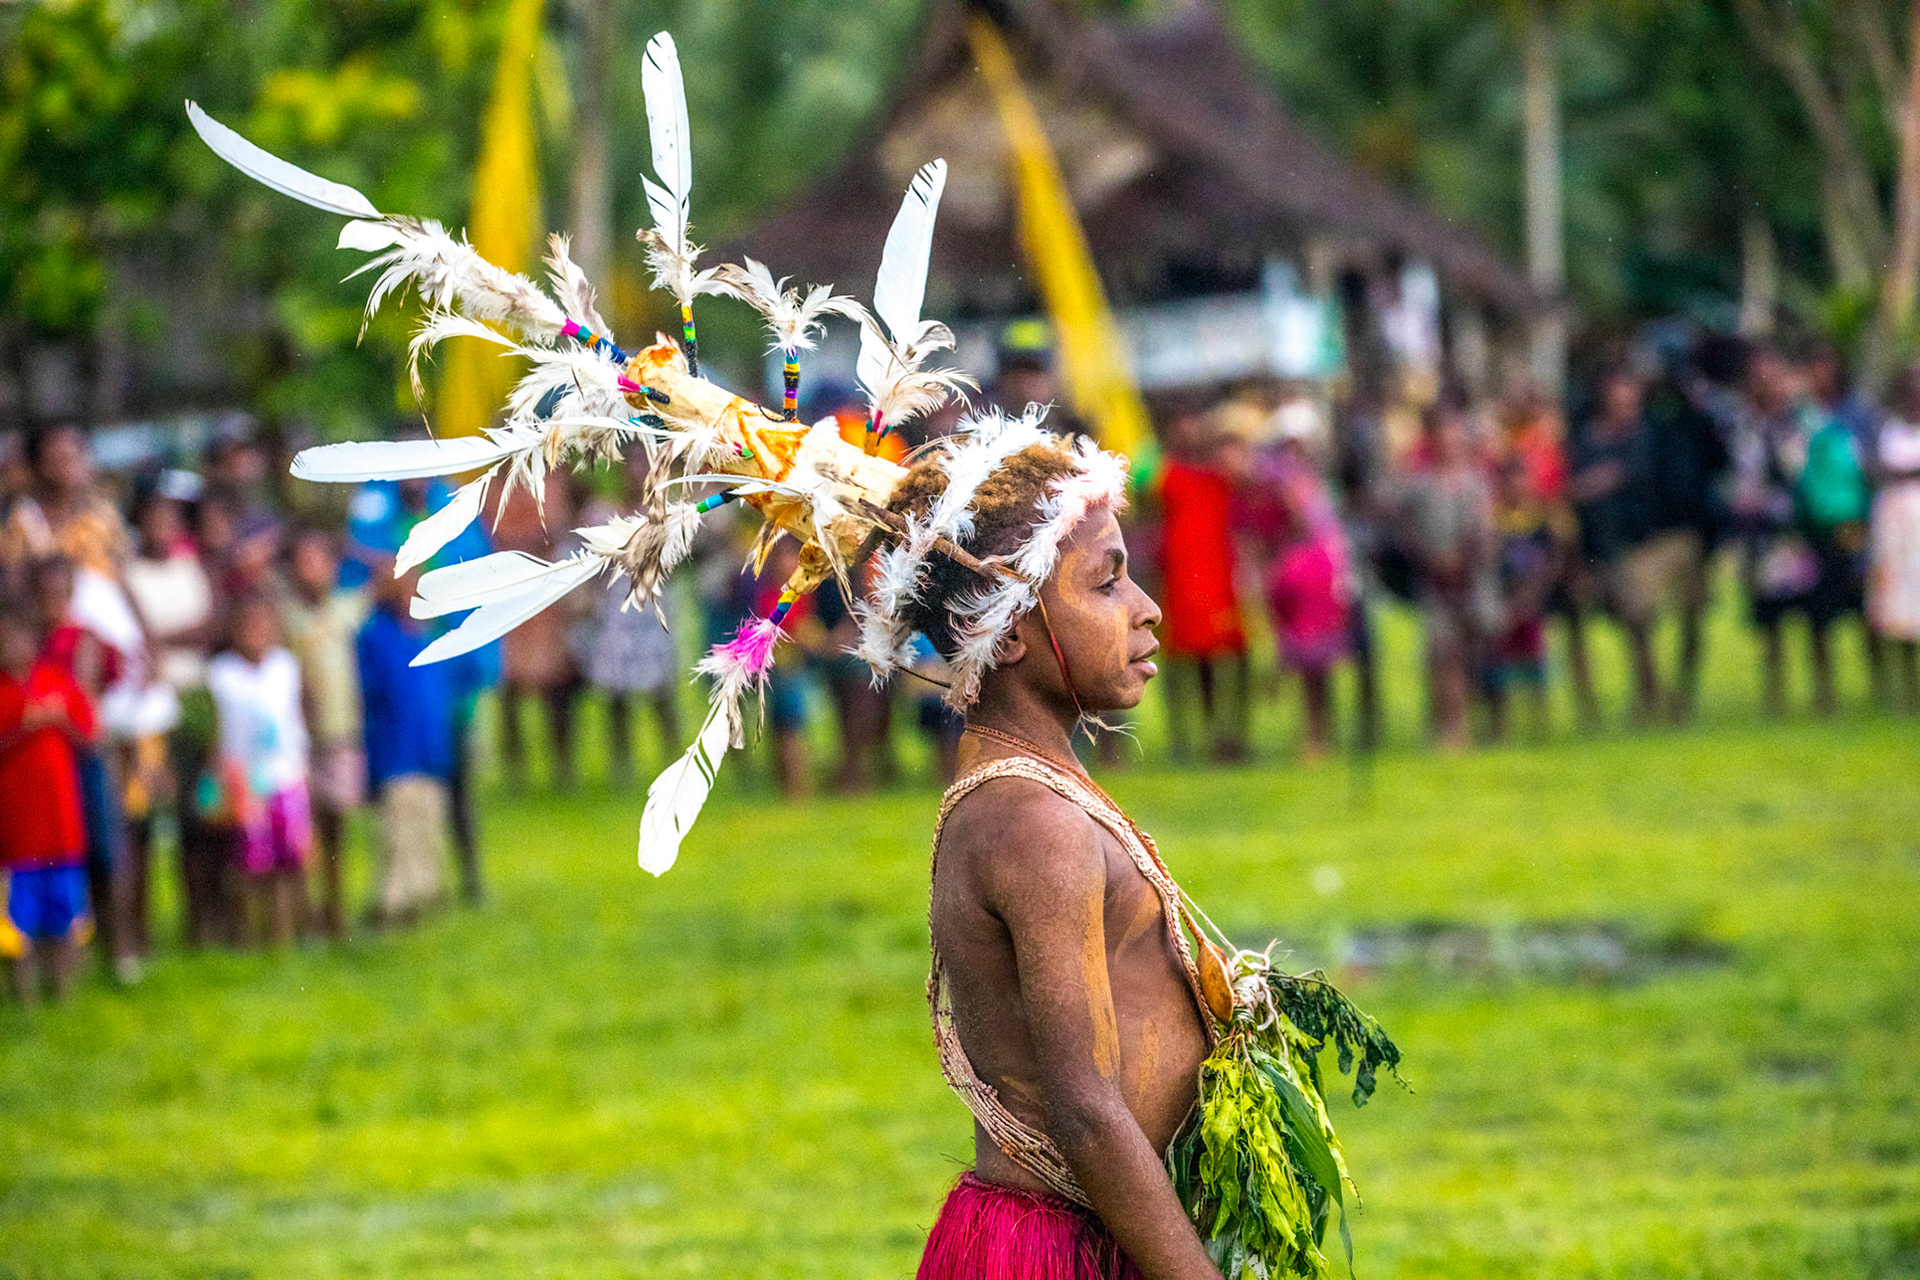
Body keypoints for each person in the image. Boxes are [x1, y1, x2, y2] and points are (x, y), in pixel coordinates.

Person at [121, 475, 216, 959]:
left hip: (192, 703)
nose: (165, 523)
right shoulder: (127, 574)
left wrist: (162, 637)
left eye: (171, 515)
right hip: (147, 713)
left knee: (194, 819)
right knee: (143, 823)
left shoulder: (187, 566)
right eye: (155, 514)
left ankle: (198, 921)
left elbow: (208, 627)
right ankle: (136, 931)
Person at [357, 566, 479, 925]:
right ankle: (393, 902)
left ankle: (427, 893)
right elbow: (372, 694)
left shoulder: (432, 632)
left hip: (431, 749)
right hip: (396, 751)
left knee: (429, 821)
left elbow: (465, 671)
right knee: (399, 828)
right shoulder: (375, 636)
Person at [0, 598, 99, 1002]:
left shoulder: (57, 681)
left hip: (63, 830)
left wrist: (61, 720)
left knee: (65, 916)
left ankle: (64, 996)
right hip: (16, 835)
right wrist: (25, 726)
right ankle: (23, 998)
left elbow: (90, 738)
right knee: (16, 922)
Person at [206, 595, 312, 947]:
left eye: (262, 624)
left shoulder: (285, 667)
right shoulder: (221, 674)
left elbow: (298, 715)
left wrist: (303, 762)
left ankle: (282, 931)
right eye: (246, 625)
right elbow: (216, 729)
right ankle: (246, 935)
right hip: (242, 780)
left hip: (285, 774)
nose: (255, 632)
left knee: (289, 858)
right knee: (249, 861)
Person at [574, 460, 682, 789]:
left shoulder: (669, 516)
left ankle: (677, 760)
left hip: (653, 609)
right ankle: (621, 765)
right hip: (617, 611)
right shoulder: (604, 514)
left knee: (661, 690)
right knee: (617, 694)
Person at [282, 529, 368, 938]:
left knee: (336, 825)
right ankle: (304, 913)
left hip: (341, 734)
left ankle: (335, 909)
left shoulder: (345, 609)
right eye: (304, 561)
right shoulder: (286, 618)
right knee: (302, 830)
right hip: (299, 741)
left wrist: (353, 550)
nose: (313, 570)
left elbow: (392, 576)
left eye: (321, 560)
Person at [1399, 401, 1499, 750]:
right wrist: (1433, 560)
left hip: (1472, 579)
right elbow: (1407, 531)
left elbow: (1486, 533)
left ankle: (1470, 720)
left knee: (1471, 652)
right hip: (1435, 580)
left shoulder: (1477, 482)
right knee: (1444, 652)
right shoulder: (1418, 485)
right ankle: (1452, 729)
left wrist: (1466, 559)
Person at [1152, 403, 1249, 762]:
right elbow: (1140, 491)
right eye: (1180, 425)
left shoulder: (1223, 475)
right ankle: (1185, 739)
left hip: (1220, 578)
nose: (1187, 432)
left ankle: (1231, 737)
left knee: (1232, 657)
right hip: (1181, 580)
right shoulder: (1164, 473)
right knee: (1182, 661)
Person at [1568, 366, 1664, 723]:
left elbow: (1632, 478)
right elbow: (1576, 486)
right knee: (1576, 621)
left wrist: (1596, 483)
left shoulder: (1642, 436)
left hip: (1632, 543)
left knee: (1637, 622)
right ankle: (1587, 705)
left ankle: (1649, 696)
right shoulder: (1586, 437)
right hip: (1592, 545)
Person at [1487, 453, 1566, 742]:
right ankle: (1500, 730)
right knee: (1498, 667)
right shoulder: (1493, 520)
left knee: (1536, 664)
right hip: (1503, 604)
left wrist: (1532, 597)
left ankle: (1541, 728)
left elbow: (1554, 560)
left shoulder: (1542, 518)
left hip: (1534, 605)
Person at [1869, 364, 1920, 709]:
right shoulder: (1885, 425)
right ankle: (1900, 684)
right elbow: (1872, 466)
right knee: (1896, 600)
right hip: (1894, 528)